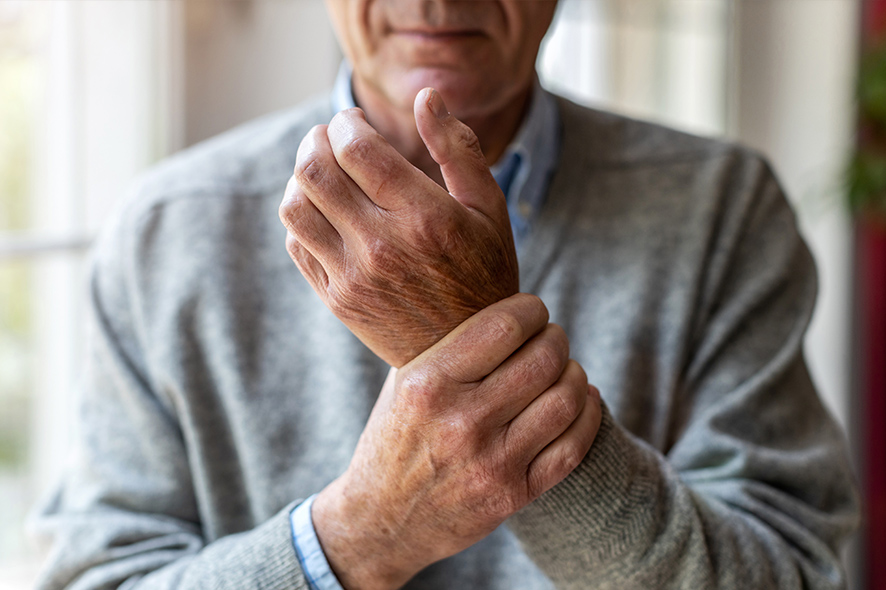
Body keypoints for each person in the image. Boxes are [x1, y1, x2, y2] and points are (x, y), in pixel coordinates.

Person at [32, 0, 860, 588]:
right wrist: (361, 535)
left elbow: (789, 572)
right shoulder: (167, 230)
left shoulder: (718, 206)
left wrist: (475, 345)